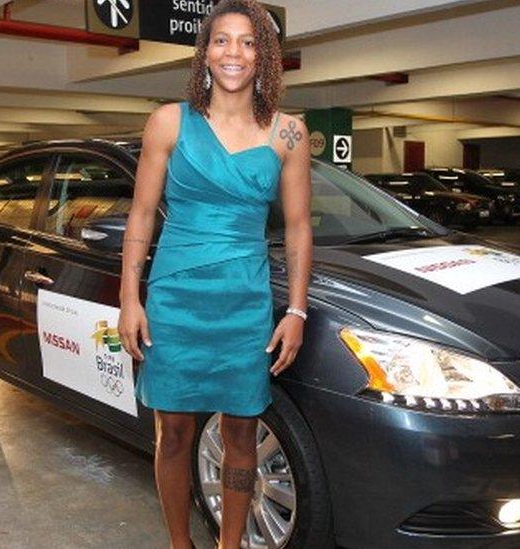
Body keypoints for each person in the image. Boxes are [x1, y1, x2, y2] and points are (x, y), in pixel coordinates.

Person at [117, 0, 312, 547]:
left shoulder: (288, 134)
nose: (234, 53)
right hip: (176, 300)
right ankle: (181, 543)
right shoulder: (168, 122)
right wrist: (130, 299)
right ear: (205, 52)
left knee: (242, 431)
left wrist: (296, 309)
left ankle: (230, 544)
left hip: (244, 304)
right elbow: (139, 216)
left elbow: (298, 229)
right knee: (173, 432)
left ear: (264, 56)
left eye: (248, 42)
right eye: (222, 40)